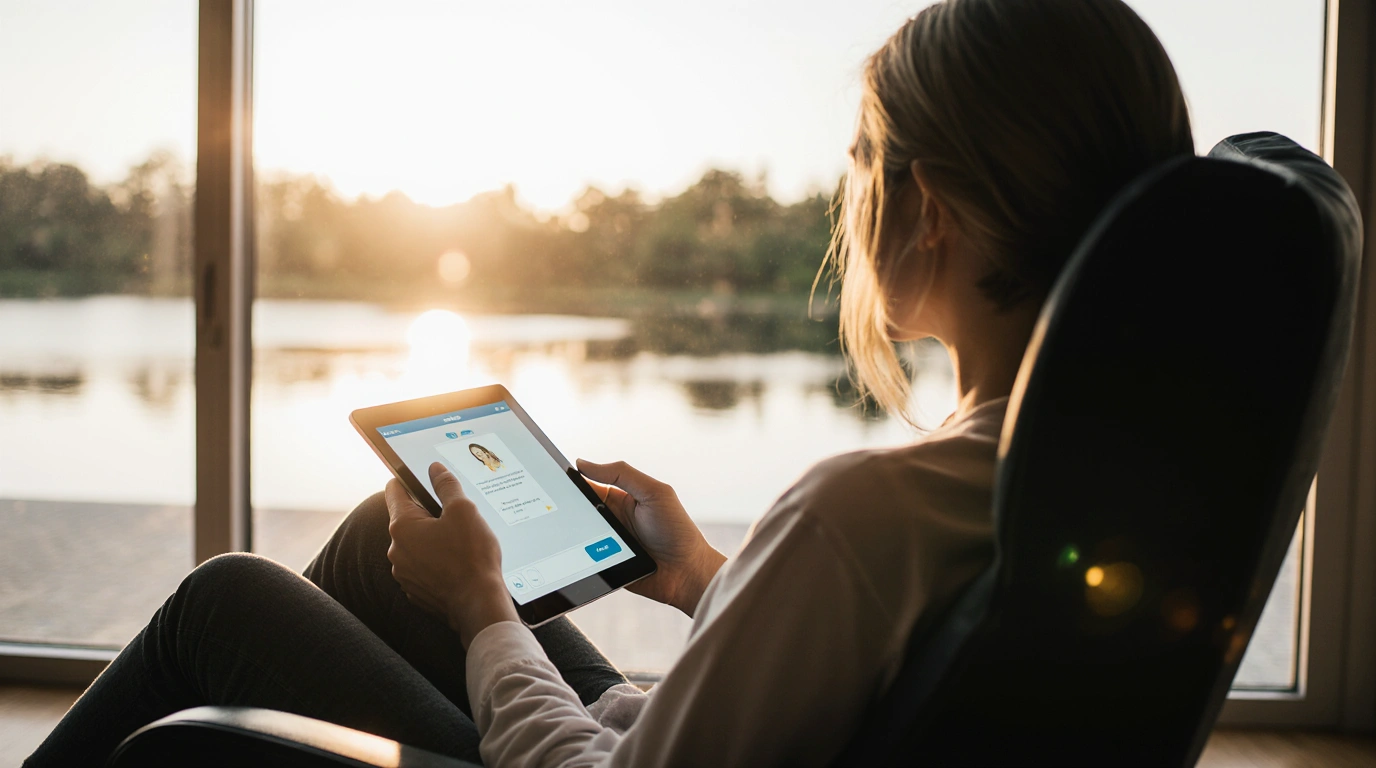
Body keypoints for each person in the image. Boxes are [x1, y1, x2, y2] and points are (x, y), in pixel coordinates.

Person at [25, 1, 1194, 765]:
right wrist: (696, 578)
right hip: (647, 741)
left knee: (226, 599)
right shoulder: (1063, 476)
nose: (852, 200)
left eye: (860, 162)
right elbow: (853, 677)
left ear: (928, 209)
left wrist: (485, 605)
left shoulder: (863, 514)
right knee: (374, 562)